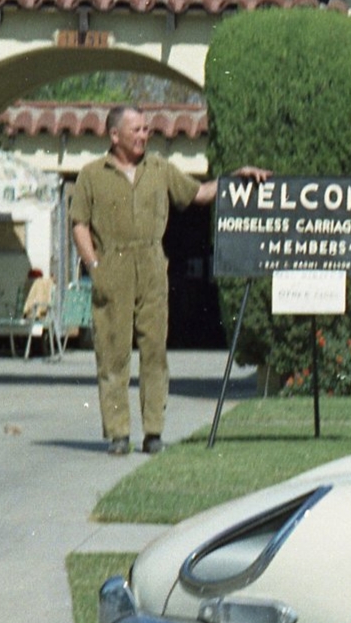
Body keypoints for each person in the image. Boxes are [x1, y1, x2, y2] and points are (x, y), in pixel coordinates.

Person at [69, 106, 266, 455]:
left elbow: (198, 194)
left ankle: (153, 431)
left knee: (155, 351)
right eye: (136, 130)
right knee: (113, 354)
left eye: (146, 129)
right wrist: (95, 266)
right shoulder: (91, 175)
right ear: (115, 135)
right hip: (112, 264)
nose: (144, 135)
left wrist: (236, 178)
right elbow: (79, 223)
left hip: (151, 262)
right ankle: (118, 433)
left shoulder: (160, 170)